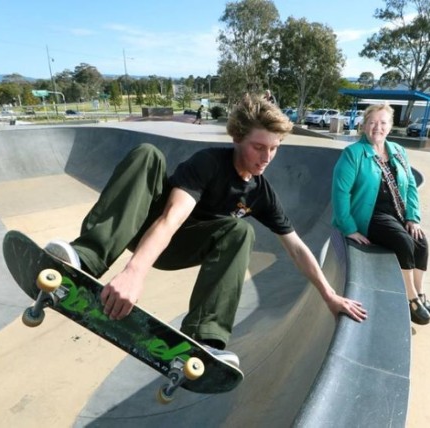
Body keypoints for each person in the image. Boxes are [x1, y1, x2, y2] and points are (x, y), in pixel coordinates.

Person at [45, 94, 368, 366]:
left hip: (179, 249)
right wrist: (134, 272)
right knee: (148, 154)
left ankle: (205, 338)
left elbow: (296, 247)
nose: (267, 157)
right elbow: (171, 217)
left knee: (241, 232)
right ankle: (85, 259)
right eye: (258, 147)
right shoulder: (208, 163)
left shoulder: (260, 192)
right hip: (144, 225)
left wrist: (329, 295)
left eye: (274, 148)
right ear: (237, 137)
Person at [331, 103, 430, 325]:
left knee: (420, 240)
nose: (377, 127)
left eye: (383, 123)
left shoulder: (398, 150)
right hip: (369, 214)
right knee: (403, 241)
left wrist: (412, 217)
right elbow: (340, 193)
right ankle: (410, 298)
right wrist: (349, 228)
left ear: (390, 126)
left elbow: (411, 188)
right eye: (372, 122)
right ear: (364, 125)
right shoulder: (353, 154)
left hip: (396, 211)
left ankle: (420, 291)